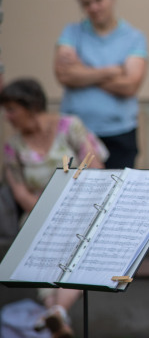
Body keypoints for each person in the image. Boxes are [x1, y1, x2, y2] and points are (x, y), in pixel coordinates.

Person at [0, 78, 108, 338]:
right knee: (45, 251)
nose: (7, 117)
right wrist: (50, 215)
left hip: (80, 208)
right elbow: (20, 193)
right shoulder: (12, 147)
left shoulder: (70, 126)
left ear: (32, 106)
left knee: (78, 249)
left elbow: (96, 170)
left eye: (12, 109)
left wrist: (68, 211)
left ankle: (56, 315)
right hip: (38, 215)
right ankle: (59, 317)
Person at [53, 0, 148, 169]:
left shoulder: (134, 37)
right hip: (76, 131)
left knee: (116, 194)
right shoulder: (71, 32)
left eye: (98, 0)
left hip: (119, 133)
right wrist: (112, 71)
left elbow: (130, 86)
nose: (93, 8)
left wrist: (82, 70)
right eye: (87, 3)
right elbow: (64, 74)